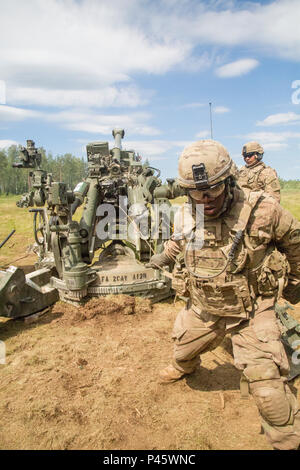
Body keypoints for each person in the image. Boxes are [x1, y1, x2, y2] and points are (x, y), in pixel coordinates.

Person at [148, 139, 300, 450]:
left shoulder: (264, 209)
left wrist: (295, 284)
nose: (205, 199)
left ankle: (287, 442)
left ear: (228, 180)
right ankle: (184, 367)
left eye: (213, 190)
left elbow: (296, 245)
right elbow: (178, 243)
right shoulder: (186, 214)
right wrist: (162, 257)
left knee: (269, 392)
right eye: (195, 192)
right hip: (204, 309)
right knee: (180, 353)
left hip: (252, 313)